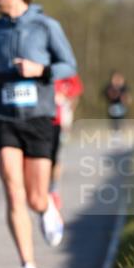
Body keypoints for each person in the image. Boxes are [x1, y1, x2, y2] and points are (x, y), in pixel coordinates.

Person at [0, 0, 77, 268]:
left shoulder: (46, 26)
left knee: (34, 196)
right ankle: (28, 267)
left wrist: (40, 70)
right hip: (3, 116)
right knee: (12, 190)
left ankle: (46, 208)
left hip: (38, 118)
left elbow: (69, 66)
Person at [50, 72, 84, 208]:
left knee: (57, 157)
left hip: (61, 122)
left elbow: (76, 95)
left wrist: (69, 112)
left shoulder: (69, 72)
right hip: (42, 122)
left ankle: (54, 190)